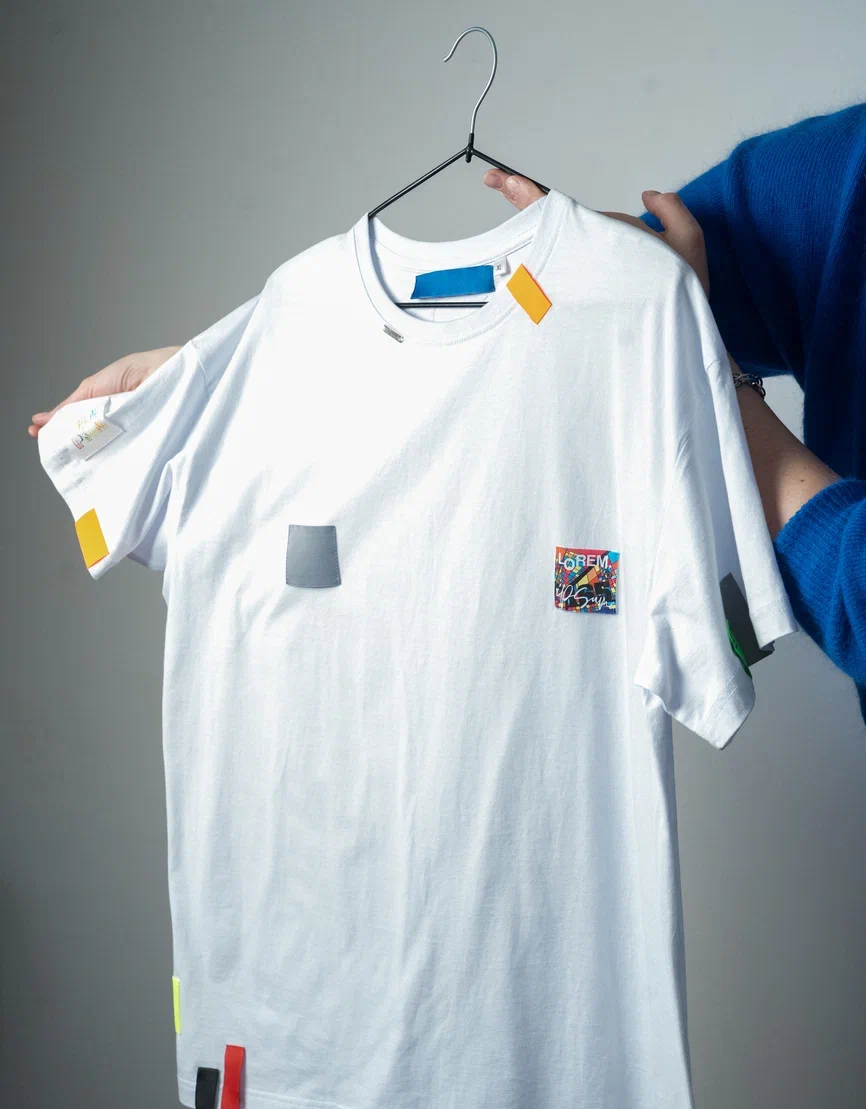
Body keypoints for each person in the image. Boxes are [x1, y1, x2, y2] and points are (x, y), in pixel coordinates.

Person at [29, 102, 866, 723]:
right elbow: (560, 321)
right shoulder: (837, 178)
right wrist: (210, 378)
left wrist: (704, 378)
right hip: (287, 907)